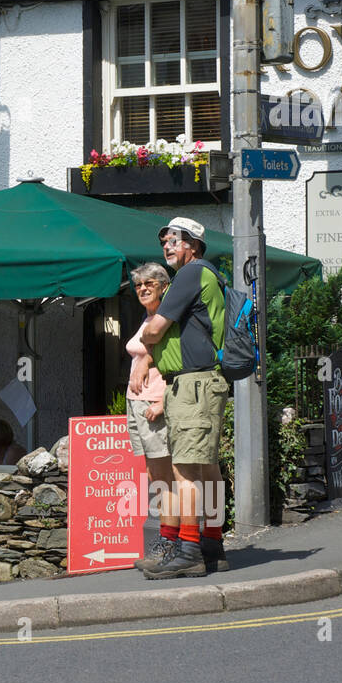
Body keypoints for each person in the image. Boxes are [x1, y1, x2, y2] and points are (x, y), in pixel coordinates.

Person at [139, 217, 230, 578]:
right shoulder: (205, 274)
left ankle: (190, 550)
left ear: (192, 244)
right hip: (202, 383)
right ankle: (212, 544)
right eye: (163, 240)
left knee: (186, 470)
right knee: (207, 469)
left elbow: (157, 328)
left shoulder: (190, 275)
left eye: (174, 240)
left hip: (194, 384)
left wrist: (148, 340)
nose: (166, 245)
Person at [124, 262, 181, 572]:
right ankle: (167, 542)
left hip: (153, 401)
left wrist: (162, 401)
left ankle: (169, 545)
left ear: (163, 286)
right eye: (138, 285)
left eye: (150, 283)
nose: (143, 288)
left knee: (165, 479)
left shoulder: (169, 318)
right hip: (137, 401)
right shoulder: (149, 318)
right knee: (155, 477)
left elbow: (177, 360)